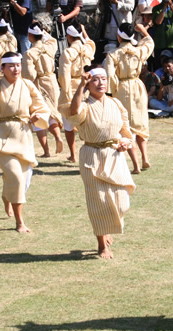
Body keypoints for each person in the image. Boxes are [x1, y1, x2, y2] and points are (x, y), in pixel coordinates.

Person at [0, 52, 51, 232]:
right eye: (11, 66)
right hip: (3, 137)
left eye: (18, 65)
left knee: (23, 179)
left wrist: (37, 115)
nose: (16, 69)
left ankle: (6, 195)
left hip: (23, 135)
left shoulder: (27, 85)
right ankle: (19, 222)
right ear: (3, 68)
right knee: (16, 177)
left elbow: (41, 106)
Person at [68, 66, 136, 259]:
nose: (100, 83)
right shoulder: (85, 105)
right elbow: (73, 112)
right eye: (95, 80)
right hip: (92, 156)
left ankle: (107, 229)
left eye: (103, 79)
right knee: (98, 201)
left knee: (122, 202)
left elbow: (126, 131)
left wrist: (125, 142)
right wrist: (80, 86)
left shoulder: (116, 104)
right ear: (88, 84)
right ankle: (101, 245)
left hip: (114, 155)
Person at [105, 23, 154, 174]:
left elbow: (110, 75)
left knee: (127, 126)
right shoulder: (138, 51)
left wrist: (111, 92)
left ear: (119, 36)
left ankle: (136, 164)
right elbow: (150, 42)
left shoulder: (113, 54)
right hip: (137, 85)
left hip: (122, 87)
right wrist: (143, 30)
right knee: (140, 123)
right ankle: (145, 157)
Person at [22, 23, 64, 158]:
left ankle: (46, 150)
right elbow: (52, 39)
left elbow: (29, 75)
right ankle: (58, 136)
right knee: (52, 113)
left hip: (39, 83)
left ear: (30, 36)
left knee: (38, 114)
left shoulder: (29, 53)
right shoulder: (50, 46)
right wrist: (42, 31)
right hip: (52, 81)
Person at [58, 24, 95, 163]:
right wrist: (84, 31)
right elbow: (90, 41)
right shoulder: (88, 48)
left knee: (68, 124)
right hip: (86, 87)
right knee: (87, 121)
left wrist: (66, 92)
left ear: (69, 37)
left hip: (73, 88)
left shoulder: (68, 52)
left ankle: (73, 154)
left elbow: (63, 74)